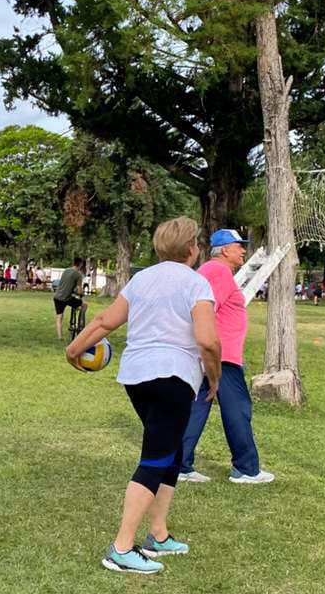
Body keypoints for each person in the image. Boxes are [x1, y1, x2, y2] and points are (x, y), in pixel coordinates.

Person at [66, 216, 221, 574]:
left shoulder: (141, 279)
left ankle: (158, 536)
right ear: (192, 249)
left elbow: (105, 321)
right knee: (156, 457)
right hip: (173, 377)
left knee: (172, 451)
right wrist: (214, 377)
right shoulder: (197, 283)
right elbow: (208, 340)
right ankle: (121, 548)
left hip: (136, 377)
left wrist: (73, 348)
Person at [179, 229, 275, 484]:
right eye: (238, 245)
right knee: (238, 409)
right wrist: (207, 349)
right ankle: (246, 468)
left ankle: (179, 464)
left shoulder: (210, 271)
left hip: (212, 353)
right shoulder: (218, 272)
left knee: (198, 406)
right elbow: (206, 311)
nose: (243, 250)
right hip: (222, 356)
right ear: (224, 250)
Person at [53, 257, 87, 340]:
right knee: (84, 305)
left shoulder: (66, 270)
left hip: (57, 297)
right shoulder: (78, 274)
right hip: (67, 298)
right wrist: (82, 294)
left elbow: (65, 284)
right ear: (81, 264)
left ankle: (60, 337)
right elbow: (79, 289)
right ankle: (80, 324)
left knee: (59, 317)